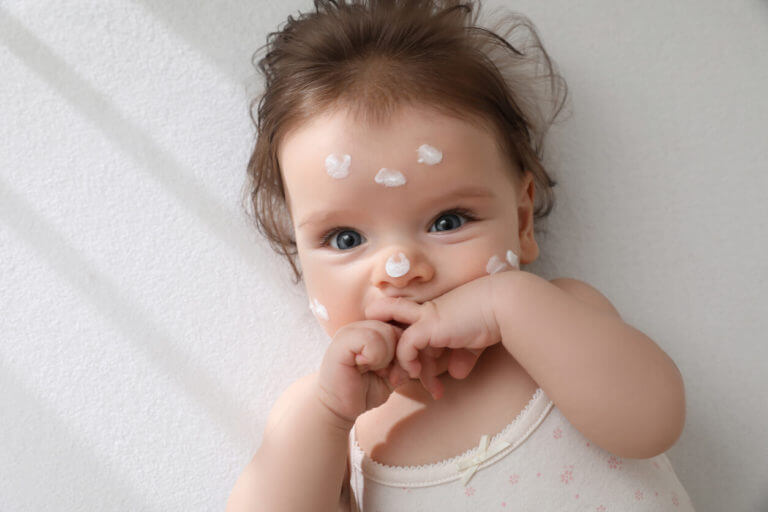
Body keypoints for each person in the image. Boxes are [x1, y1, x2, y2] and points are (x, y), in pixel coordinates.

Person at [227, 1, 695, 510]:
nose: (400, 269)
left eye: (447, 222)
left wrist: (506, 304)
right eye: (345, 238)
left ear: (520, 222)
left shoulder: (557, 318)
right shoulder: (327, 422)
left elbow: (654, 424)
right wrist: (327, 413)